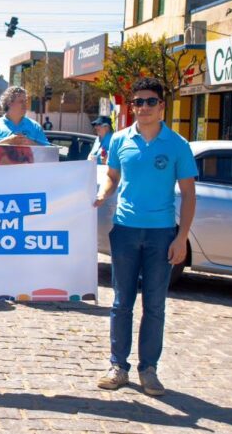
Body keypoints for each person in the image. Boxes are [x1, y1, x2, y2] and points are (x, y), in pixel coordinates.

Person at [94, 77, 197, 396]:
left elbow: (189, 195)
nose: (143, 107)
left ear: (162, 106)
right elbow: (112, 177)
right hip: (124, 231)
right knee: (122, 302)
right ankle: (118, 366)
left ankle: (148, 370)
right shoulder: (120, 140)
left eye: (150, 101)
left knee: (155, 305)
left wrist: (181, 238)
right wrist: (102, 194)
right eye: (137, 102)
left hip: (161, 234)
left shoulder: (178, 145)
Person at [0, 86, 49, 157]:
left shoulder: (35, 126)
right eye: (21, 101)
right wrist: (7, 141)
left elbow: (48, 153)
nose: (25, 105)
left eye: (26, 101)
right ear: (9, 103)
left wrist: (30, 143)